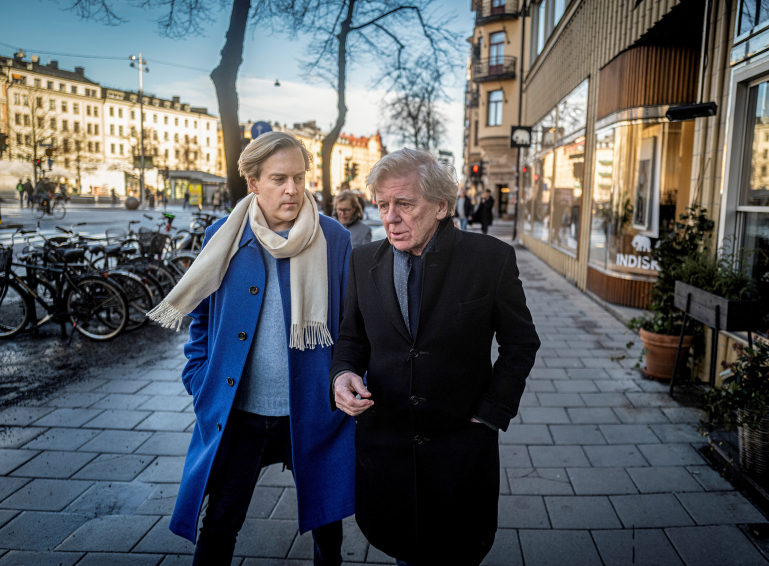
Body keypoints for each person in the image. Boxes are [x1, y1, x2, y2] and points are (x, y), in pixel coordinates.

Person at [147, 132, 355, 566]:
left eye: (299, 177)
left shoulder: (333, 238)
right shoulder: (224, 236)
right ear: (253, 182)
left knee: (327, 526)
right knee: (221, 521)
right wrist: (199, 376)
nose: (293, 189)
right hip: (241, 413)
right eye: (279, 178)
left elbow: (353, 325)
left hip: (313, 411)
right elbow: (202, 317)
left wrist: (347, 380)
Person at [330, 148, 540, 566]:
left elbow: (521, 344)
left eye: (404, 204)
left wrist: (490, 413)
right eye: (383, 204)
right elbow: (351, 338)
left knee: (457, 553)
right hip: (386, 450)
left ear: (441, 205)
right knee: (402, 549)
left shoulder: (490, 259)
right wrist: (342, 374)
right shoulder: (362, 260)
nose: (390, 217)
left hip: (459, 451)